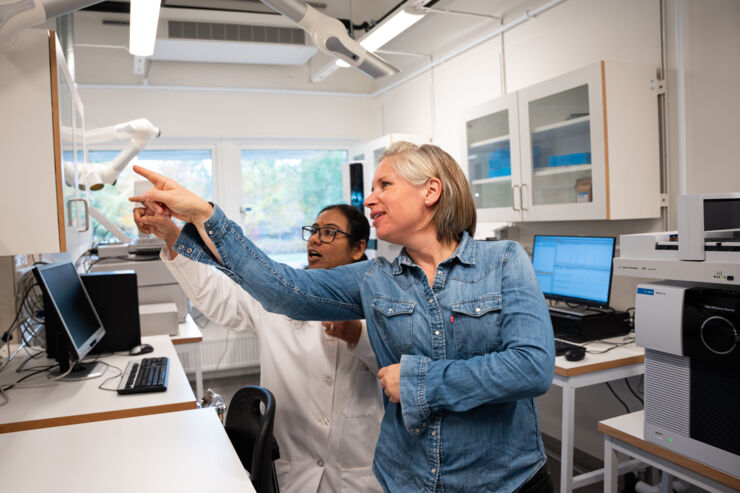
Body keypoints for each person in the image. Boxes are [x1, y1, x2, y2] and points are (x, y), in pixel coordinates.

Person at [131, 141, 556, 493]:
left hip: (504, 481)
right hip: (408, 480)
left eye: (384, 184)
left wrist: (416, 381)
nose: (369, 198)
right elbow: (281, 289)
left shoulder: (503, 261)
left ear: (431, 191)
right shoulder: (375, 278)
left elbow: (532, 367)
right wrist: (203, 217)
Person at [134, 203, 384, 493]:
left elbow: (401, 374)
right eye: (313, 231)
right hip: (294, 467)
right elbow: (218, 296)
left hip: (355, 470)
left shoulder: (382, 299)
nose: (314, 239)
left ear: (358, 248)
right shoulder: (280, 294)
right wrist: (171, 236)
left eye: (328, 233)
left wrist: (357, 335)